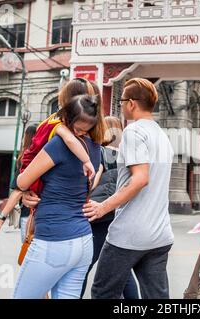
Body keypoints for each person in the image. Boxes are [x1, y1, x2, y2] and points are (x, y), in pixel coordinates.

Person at [83, 78, 175, 299]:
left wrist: (102, 208)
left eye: (122, 100)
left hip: (129, 234)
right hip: (160, 235)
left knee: (103, 293)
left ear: (132, 103)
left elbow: (140, 179)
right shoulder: (163, 136)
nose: (121, 105)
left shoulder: (134, 132)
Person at [12, 94, 105, 299]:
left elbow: (22, 182)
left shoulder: (58, 145)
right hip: (83, 241)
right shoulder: (96, 150)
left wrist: (25, 186)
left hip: (54, 240)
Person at [0, 79, 98, 235]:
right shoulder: (61, 129)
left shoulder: (55, 121)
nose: (80, 133)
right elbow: (69, 140)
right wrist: (87, 161)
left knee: (31, 203)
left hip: (58, 226)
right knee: (31, 202)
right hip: (70, 228)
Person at [80, 116, 139, 299]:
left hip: (99, 217)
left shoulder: (100, 152)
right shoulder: (127, 155)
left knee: (83, 267)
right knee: (122, 270)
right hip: (120, 215)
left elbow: (92, 180)